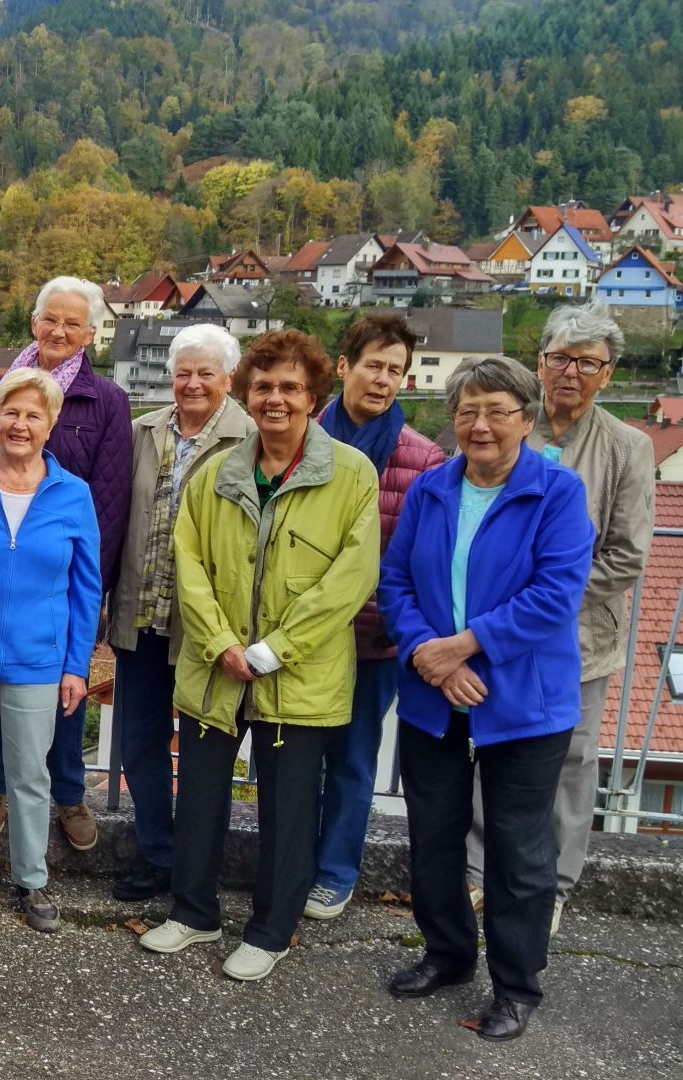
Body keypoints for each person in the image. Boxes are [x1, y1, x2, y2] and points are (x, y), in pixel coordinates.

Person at [139, 329, 379, 982]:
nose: (276, 399)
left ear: (313, 396)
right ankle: (193, 913)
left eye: (290, 388)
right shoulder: (217, 472)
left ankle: (271, 931)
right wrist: (221, 643)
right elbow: (187, 559)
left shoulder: (351, 474)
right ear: (248, 393)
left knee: (288, 809)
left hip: (297, 675)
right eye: (264, 386)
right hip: (216, 667)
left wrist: (274, 650)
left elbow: (351, 579)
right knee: (202, 798)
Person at [378, 356, 594, 1043]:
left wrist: (466, 645)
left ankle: (516, 986)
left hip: (523, 703)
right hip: (434, 694)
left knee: (517, 851)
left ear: (527, 420)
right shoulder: (434, 490)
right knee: (433, 838)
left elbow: (555, 596)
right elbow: (395, 583)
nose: (481, 425)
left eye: (498, 411)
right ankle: (446, 955)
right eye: (468, 410)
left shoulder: (557, 493)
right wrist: (430, 657)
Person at [468, 302, 654, 935]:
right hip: (493, 629)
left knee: (570, 761)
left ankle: (552, 886)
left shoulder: (629, 448)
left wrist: (542, 604)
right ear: (540, 362)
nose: (570, 372)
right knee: (488, 743)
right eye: (559, 358)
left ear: (608, 373)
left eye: (587, 362)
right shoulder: (509, 425)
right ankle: (477, 874)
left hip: (579, 638)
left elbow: (626, 556)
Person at [0, 368, 101, 932]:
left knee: (31, 773)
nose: (20, 423)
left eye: (34, 414)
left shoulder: (73, 494)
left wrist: (75, 665)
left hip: (40, 659)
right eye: (11, 412)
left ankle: (32, 878)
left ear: (51, 424)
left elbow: (86, 588)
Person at [107, 324, 254, 904]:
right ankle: (157, 853)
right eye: (184, 373)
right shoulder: (142, 431)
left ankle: (198, 863)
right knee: (140, 744)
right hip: (140, 612)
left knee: (203, 750)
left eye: (206, 374)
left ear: (230, 379)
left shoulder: (249, 437)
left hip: (208, 627)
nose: (192, 384)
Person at [305, 311, 445, 920]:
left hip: (372, 639)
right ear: (344, 367)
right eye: (373, 366)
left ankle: (334, 872)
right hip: (299, 637)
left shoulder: (423, 458)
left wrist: (395, 624)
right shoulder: (299, 437)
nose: (383, 380)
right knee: (290, 758)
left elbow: (422, 562)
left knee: (354, 760)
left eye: (396, 371)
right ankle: (286, 859)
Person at [0, 276, 130, 854]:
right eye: (51, 319)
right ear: (34, 322)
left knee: (66, 690)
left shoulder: (107, 401)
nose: (60, 331)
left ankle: (68, 793)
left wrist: (93, 593)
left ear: (91, 333)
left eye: (74, 323)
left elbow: (111, 502)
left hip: (66, 577)